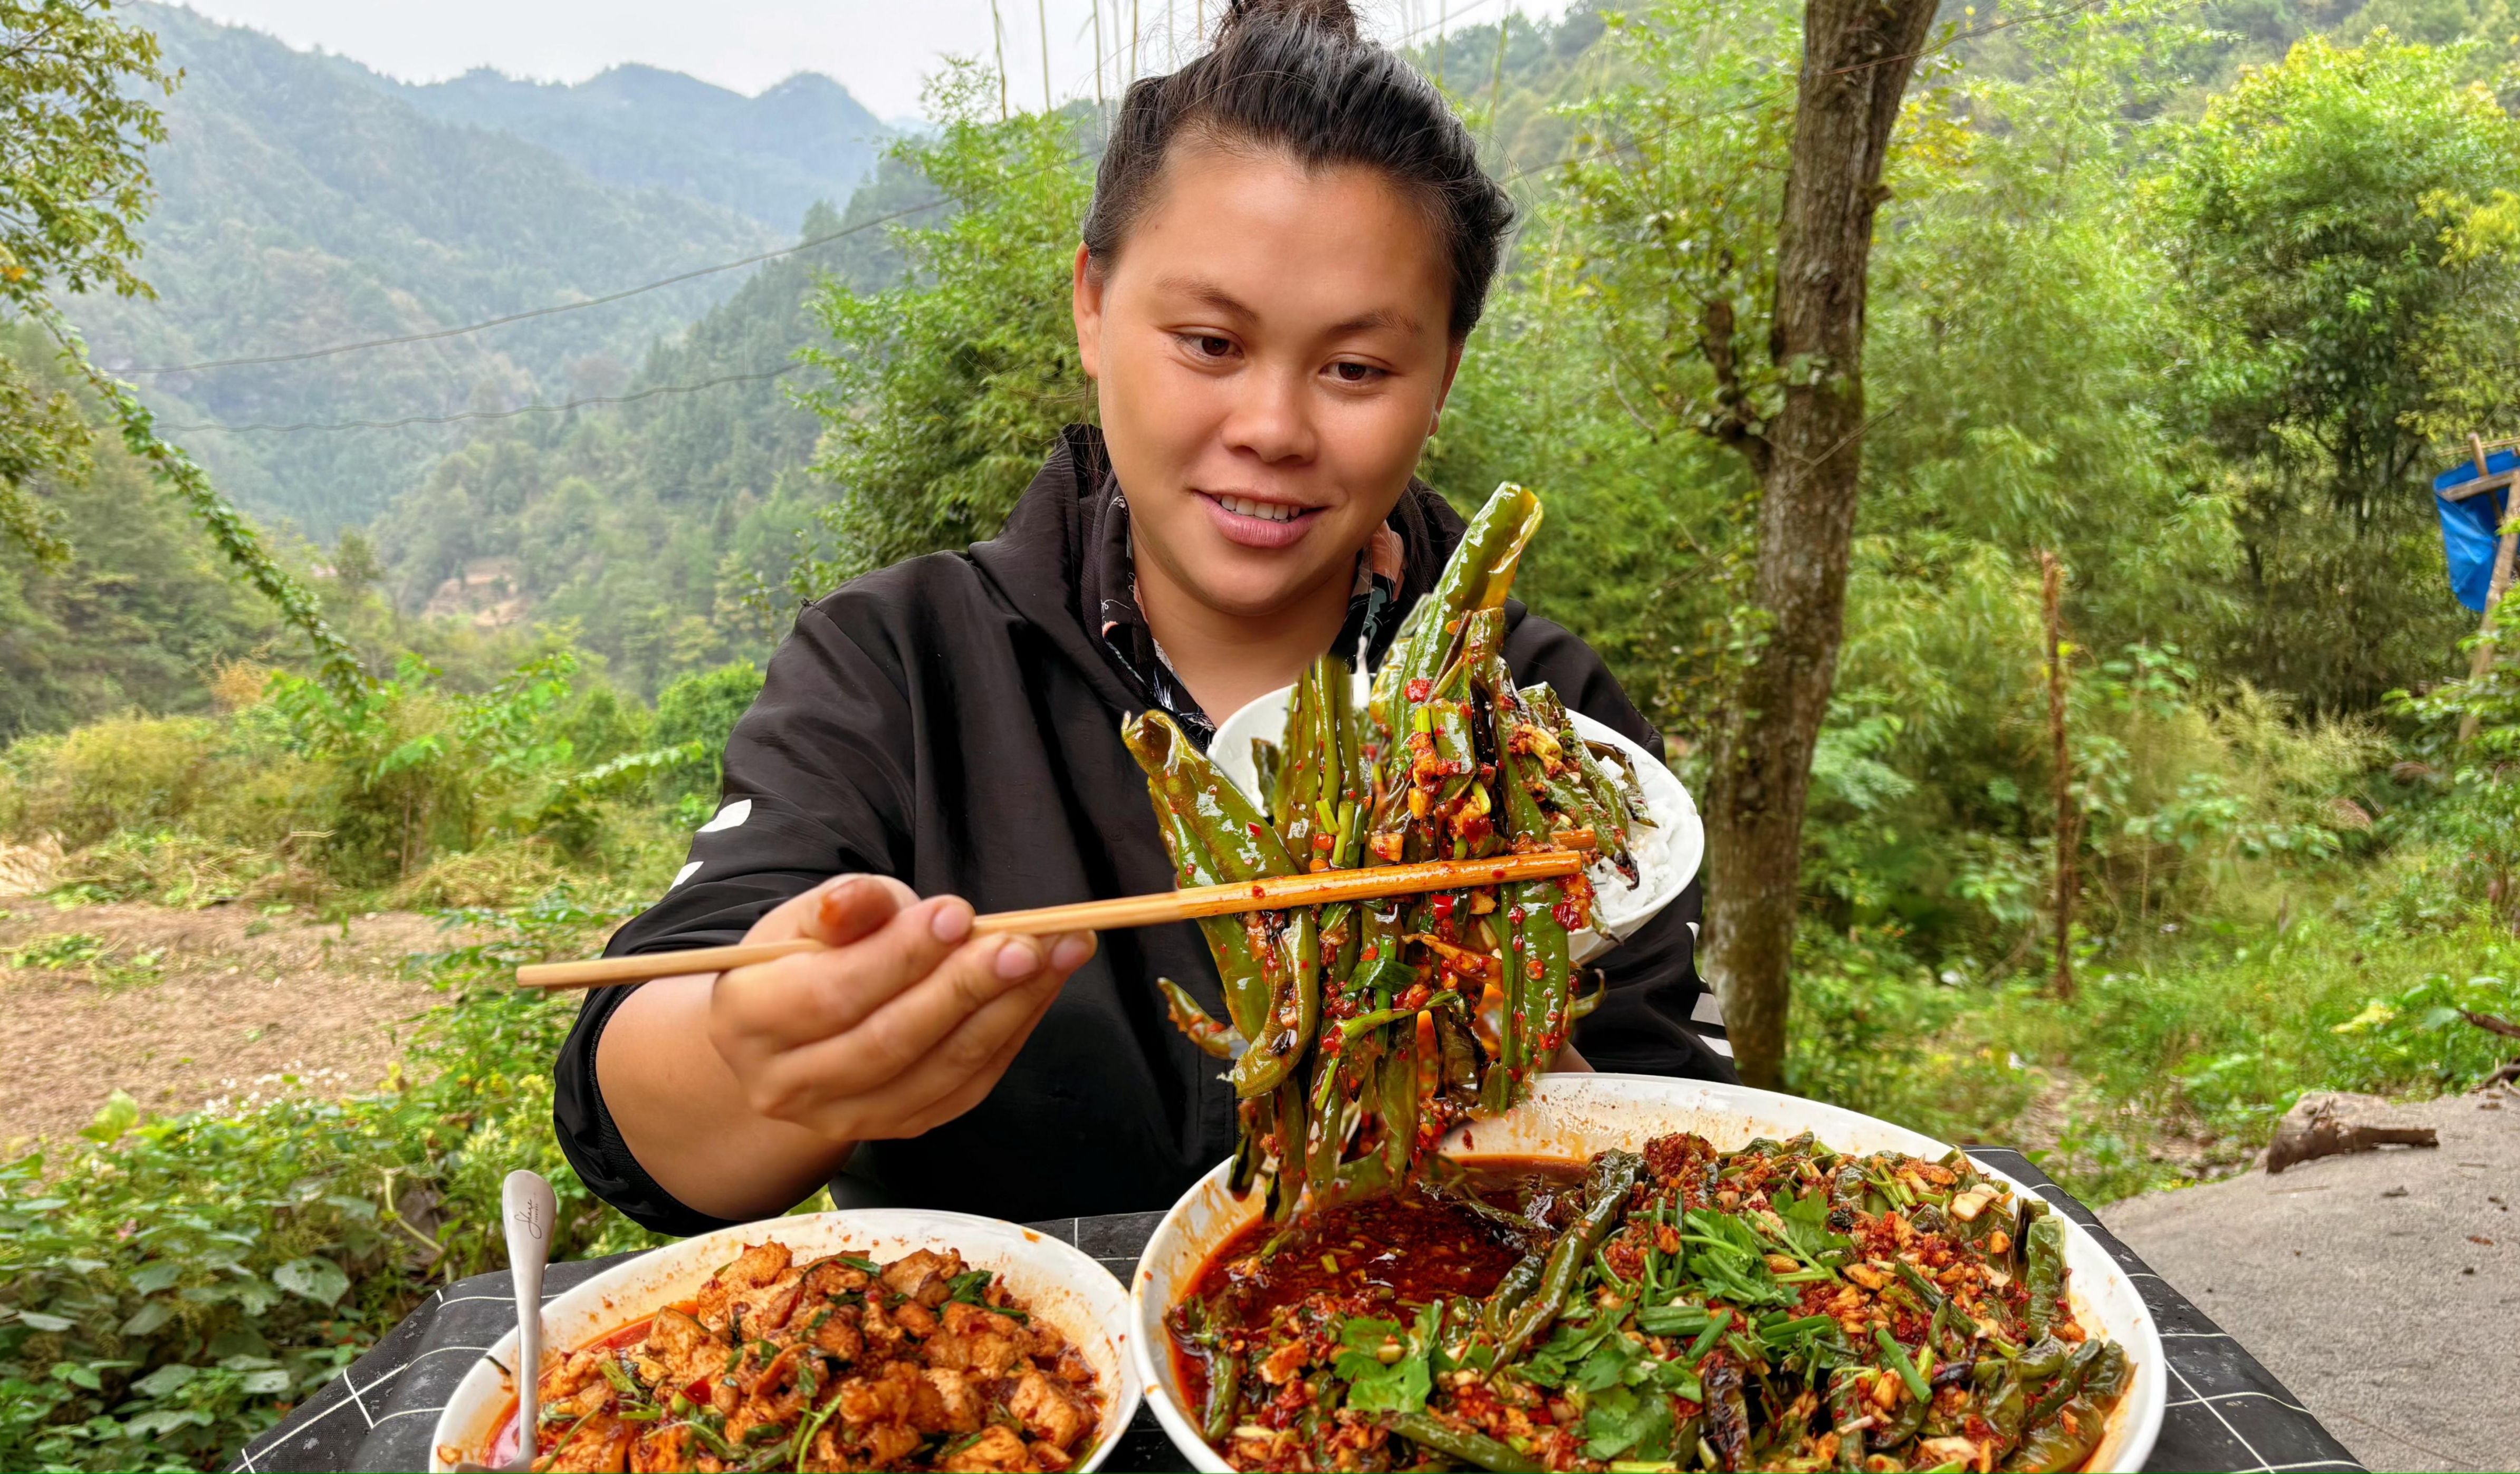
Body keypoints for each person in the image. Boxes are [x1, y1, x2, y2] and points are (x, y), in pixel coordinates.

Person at [553, 0, 1732, 1235]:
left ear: (1438, 380)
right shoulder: (901, 663)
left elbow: (1678, 1122)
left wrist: (1555, 1100)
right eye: (1210, 341)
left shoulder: (1553, 731)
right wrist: (758, 1059)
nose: (1273, 427)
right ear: (1093, 311)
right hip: (1027, 1401)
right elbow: (643, 1087)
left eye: (1358, 369)